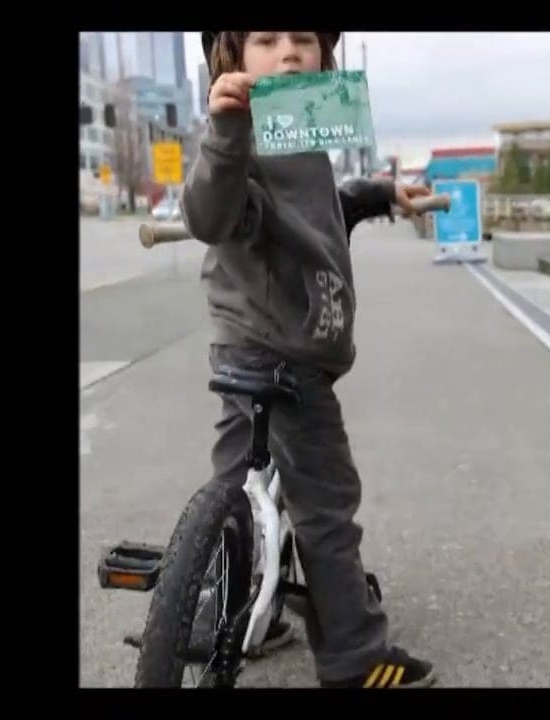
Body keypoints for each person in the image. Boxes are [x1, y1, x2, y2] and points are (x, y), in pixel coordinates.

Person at [181, 31, 436, 689]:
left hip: (253, 345)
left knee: (235, 491)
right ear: (233, 59)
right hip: (282, 353)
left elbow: (317, 213)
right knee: (326, 503)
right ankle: (355, 655)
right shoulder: (240, 138)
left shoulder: (299, 137)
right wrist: (224, 129)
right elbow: (208, 213)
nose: (289, 52)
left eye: (303, 39)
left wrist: (380, 194)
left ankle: (231, 614)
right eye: (266, 40)